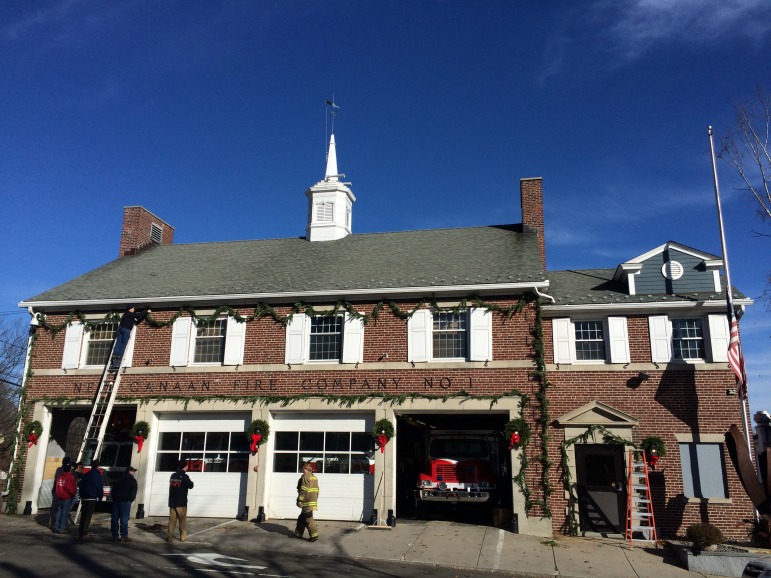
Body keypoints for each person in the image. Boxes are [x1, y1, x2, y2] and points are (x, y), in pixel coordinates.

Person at [109, 305, 151, 371]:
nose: (134, 309)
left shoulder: (125, 315)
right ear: (130, 309)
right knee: (124, 343)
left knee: (118, 342)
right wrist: (147, 311)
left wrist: (142, 316)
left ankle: (114, 354)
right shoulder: (130, 314)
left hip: (120, 329)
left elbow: (136, 321)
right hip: (126, 330)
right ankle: (119, 356)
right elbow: (139, 315)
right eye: (133, 308)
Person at [167, 459, 194, 543]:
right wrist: (191, 482)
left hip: (172, 502)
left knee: (172, 521)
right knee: (182, 520)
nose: (187, 467)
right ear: (184, 467)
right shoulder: (184, 477)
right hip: (181, 502)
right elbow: (190, 485)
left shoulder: (173, 476)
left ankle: (169, 537)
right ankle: (183, 537)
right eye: (187, 466)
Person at [292, 462, 319, 542]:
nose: (302, 470)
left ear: (307, 469)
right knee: (301, 518)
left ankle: (314, 536)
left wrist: (300, 500)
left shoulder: (305, 477)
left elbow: (303, 490)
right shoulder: (314, 478)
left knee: (308, 519)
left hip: (307, 502)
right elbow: (317, 490)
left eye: (304, 468)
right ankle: (298, 533)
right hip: (312, 501)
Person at [111, 465, 138, 543]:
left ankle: (115, 536)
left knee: (115, 519)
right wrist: (131, 500)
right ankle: (124, 536)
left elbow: (113, 490)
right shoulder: (132, 480)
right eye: (133, 471)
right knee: (124, 519)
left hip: (116, 501)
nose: (134, 472)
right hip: (125, 501)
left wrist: (114, 498)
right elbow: (133, 491)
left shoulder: (119, 479)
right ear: (130, 471)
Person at [78, 459, 104, 539]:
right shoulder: (98, 476)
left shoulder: (86, 475)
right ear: (98, 466)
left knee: (83, 514)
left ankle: (81, 530)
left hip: (84, 496)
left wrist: (81, 495)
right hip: (92, 497)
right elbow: (99, 487)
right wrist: (100, 497)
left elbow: (81, 485)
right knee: (88, 515)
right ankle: (84, 531)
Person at [52, 463, 77, 534]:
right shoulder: (70, 477)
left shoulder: (60, 477)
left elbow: (57, 486)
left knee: (59, 512)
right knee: (64, 513)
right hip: (66, 497)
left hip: (59, 496)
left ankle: (56, 527)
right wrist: (72, 494)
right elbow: (71, 489)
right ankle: (62, 528)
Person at [49, 456, 71, 529]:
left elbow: (56, 480)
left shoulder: (58, 469)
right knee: (63, 510)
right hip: (63, 493)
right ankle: (61, 525)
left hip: (56, 490)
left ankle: (53, 524)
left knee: (55, 509)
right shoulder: (67, 472)